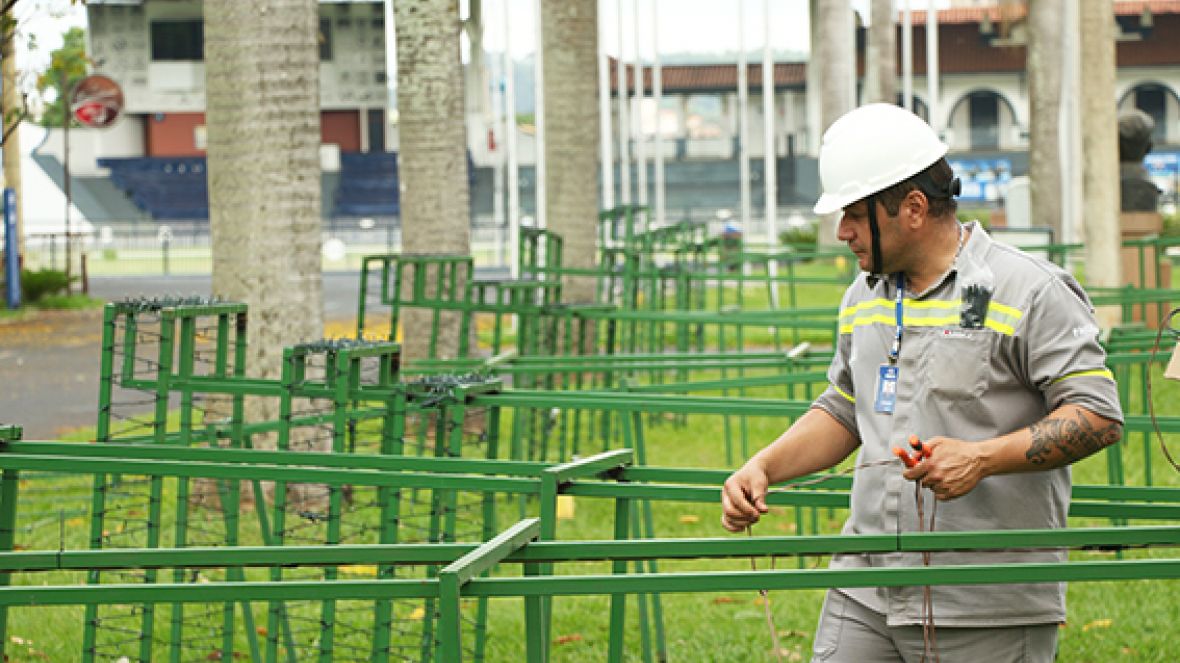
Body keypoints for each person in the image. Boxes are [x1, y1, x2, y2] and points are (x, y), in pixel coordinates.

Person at [720, 103, 1124, 663]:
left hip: (987, 605)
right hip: (865, 590)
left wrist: (981, 458)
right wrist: (764, 466)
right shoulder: (864, 295)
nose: (841, 233)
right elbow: (844, 408)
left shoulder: (1028, 290)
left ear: (912, 208)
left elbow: (1098, 416)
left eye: (855, 216)